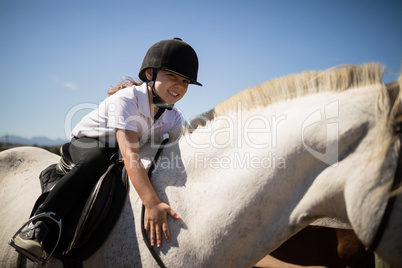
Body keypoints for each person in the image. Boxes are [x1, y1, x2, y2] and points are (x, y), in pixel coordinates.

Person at [11, 37, 202, 260]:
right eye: (172, 76)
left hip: (119, 150)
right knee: (94, 161)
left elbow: (180, 149)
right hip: (90, 142)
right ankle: (40, 223)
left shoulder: (174, 117)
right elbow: (131, 155)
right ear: (150, 74)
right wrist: (151, 203)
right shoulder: (127, 100)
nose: (179, 86)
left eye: (185, 82)